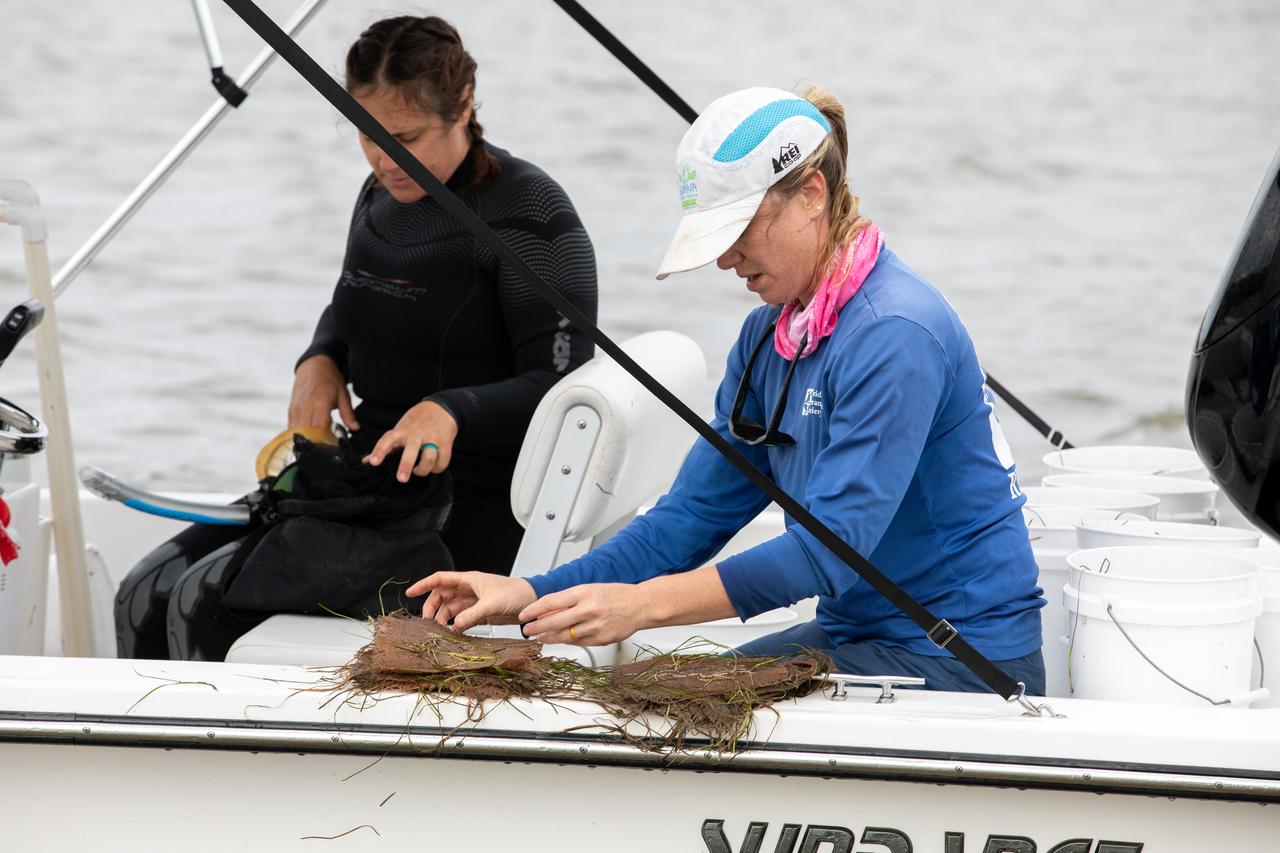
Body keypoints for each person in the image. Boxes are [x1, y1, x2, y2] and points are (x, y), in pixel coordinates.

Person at [410, 85, 1046, 695]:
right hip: (856, 633)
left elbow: (828, 554)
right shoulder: (767, 337)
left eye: (737, 229)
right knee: (643, 695)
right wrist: (526, 592)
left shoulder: (895, 334)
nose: (723, 260)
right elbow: (692, 518)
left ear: (812, 195)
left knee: (660, 713)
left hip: (964, 658)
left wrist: (640, 607)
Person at [114, 15, 598, 660]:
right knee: (142, 589)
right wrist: (319, 356)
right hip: (364, 483)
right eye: (366, 135)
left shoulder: (528, 214)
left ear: (462, 107)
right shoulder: (378, 193)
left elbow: (565, 382)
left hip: (469, 504)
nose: (382, 158)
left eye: (405, 137)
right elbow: (357, 298)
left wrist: (452, 408)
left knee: (201, 601)